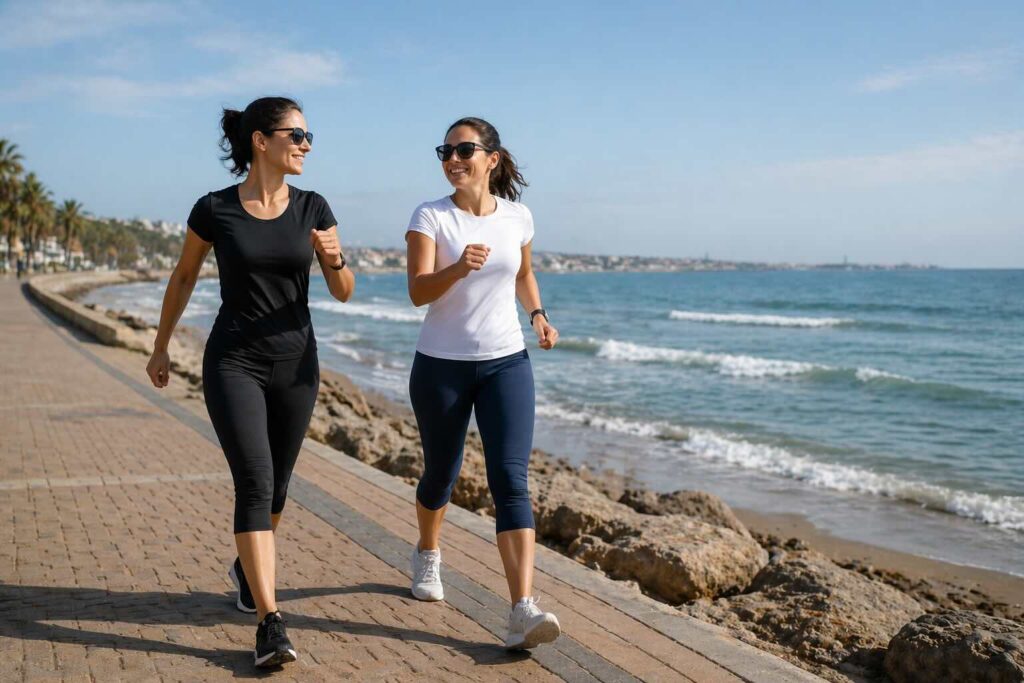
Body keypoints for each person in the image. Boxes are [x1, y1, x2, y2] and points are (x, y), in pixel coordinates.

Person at [145, 96, 354, 668]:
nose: (307, 145)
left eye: (310, 136)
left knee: (279, 486)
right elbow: (185, 274)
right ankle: (270, 622)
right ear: (261, 141)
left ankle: (245, 568)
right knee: (256, 483)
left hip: (297, 366)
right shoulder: (215, 208)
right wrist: (161, 346)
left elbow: (344, 291)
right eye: (297, 135)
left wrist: (335, 259)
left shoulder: (313, 206)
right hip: (233, 362)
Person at [405, 116, 562, 650]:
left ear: (491, 158)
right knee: (441, 476)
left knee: (511, 480)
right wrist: (457, 270)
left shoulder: (518, 216)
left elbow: (521, 273)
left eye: (464, 149)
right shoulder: (431, 216)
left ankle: (521, 607)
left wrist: (537, 314)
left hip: (506, 363)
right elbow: (418, 291)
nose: (453, 159)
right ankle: (428, 552)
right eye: (445, 150)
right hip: (441, 366)